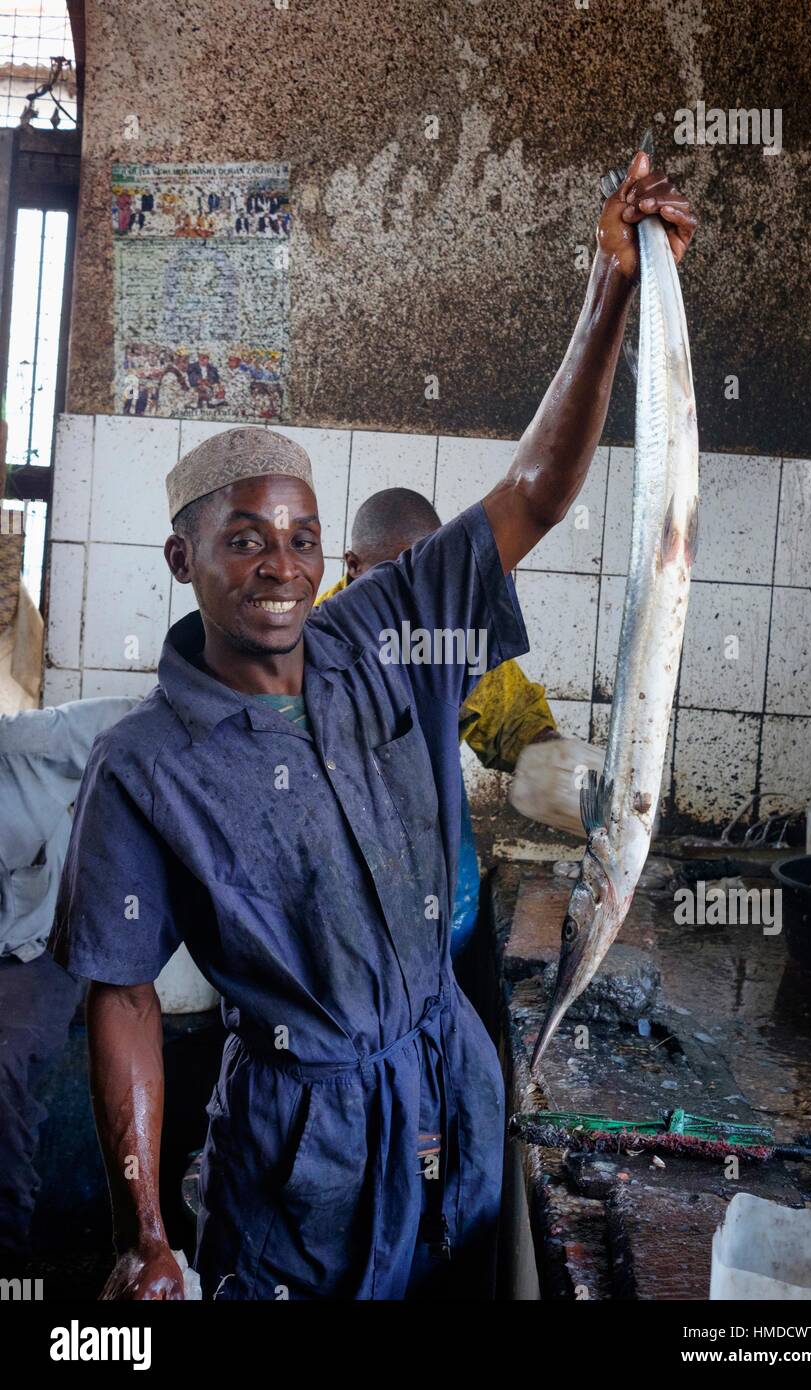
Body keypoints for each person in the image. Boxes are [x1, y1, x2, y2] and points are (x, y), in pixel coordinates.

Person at [50, 151, 696, 1300]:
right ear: (181, 557)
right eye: (243, 538)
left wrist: (607, 294)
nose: (280, 566)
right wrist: (145, 1228)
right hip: (301, 1155)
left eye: (299, 538)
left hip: (447, 1087)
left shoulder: (391, 634)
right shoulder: (141, 766)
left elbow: (536, 488)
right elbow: (124, 993)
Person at [316, 488, 559, 957]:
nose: (409, 596)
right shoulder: (313, 634)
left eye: (424, 577)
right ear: (352, 564)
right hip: (337, 822)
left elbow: (513, 722)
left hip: (431, 819)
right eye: (390, 577)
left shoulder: (450, 634)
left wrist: (564, 770)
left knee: (447, 933)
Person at [0, 697, 138, 1272]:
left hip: (29, 954)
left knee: (2, 1070)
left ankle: (7, 1257)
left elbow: (144, 715)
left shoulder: (30, 743)